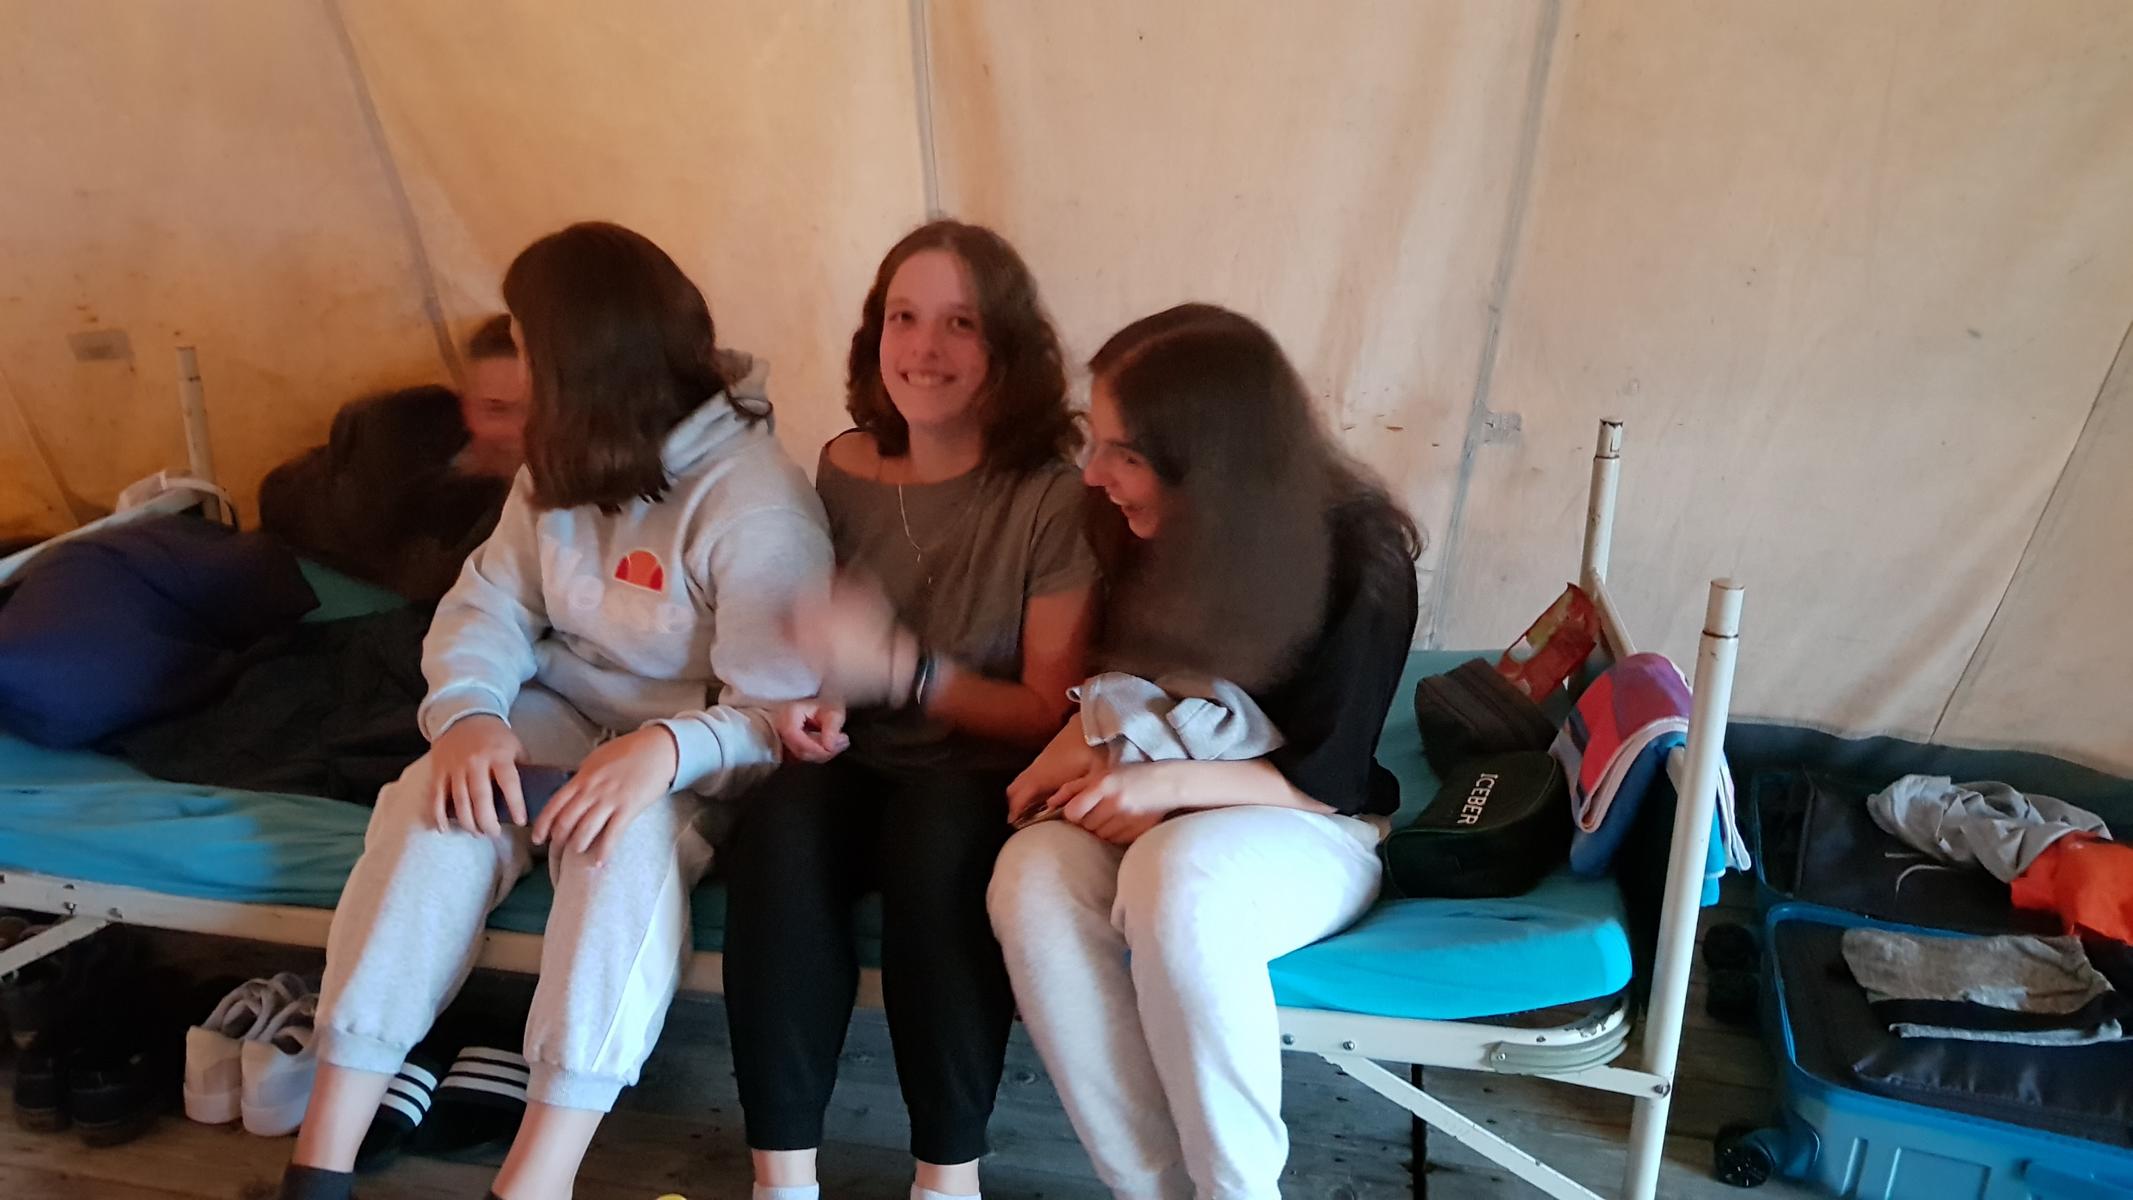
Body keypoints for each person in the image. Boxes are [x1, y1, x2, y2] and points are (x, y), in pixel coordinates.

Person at [276, 222, 833, 1200]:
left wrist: (664, 752)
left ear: (579, 364)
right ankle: (319, 1167)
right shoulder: (558, 464)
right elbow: (488, 604)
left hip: (693, 749)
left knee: (617, 854)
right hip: (561, 712)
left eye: (529, 350)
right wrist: (469, 717)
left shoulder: (756, 504)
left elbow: (775, 716)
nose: (516, 377)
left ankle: (535, 1180)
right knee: (434, 807)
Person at [987, 304, 1422, 1200]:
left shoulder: (1359, 554)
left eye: (1123, 453)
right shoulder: (1131, 525)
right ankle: (1148, 1189)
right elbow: (1130, 679)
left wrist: (1161, 786)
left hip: (1310, 820)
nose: (1091, 471)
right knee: (1027, 877)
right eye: (1095, 439)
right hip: (1162, 785)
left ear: (1210, 458)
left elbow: (1328, 781)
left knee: (1179, 881)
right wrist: (1079, 745)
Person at [720, 220, 1097, 1200]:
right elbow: (825, 635)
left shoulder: (1052, 500)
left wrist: (904, 671)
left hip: (978, 767)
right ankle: (781, 1179)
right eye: (904, 317)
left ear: (1006, 345)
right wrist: (819, 694)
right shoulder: (840, 465)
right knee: (777, 830)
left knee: (935, 848)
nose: (924, 348)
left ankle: (946, 1178)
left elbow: (1048, 712)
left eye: (960, 322)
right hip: (859, 758)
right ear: (873, 334)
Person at [258, 314, 531, 600]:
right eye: (495, 409)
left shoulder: (541, 498)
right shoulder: (401, 439)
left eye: (533, 409)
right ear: (467, 405)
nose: (516, 430)